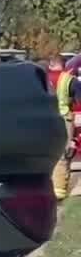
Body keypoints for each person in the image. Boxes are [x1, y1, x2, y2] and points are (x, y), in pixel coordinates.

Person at [52, 54, 76, 201]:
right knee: (63, 153)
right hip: (64, 118)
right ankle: (59, 191)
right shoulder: (69, 80)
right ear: (64, 65)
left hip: (44, 119)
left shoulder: (39, 77)